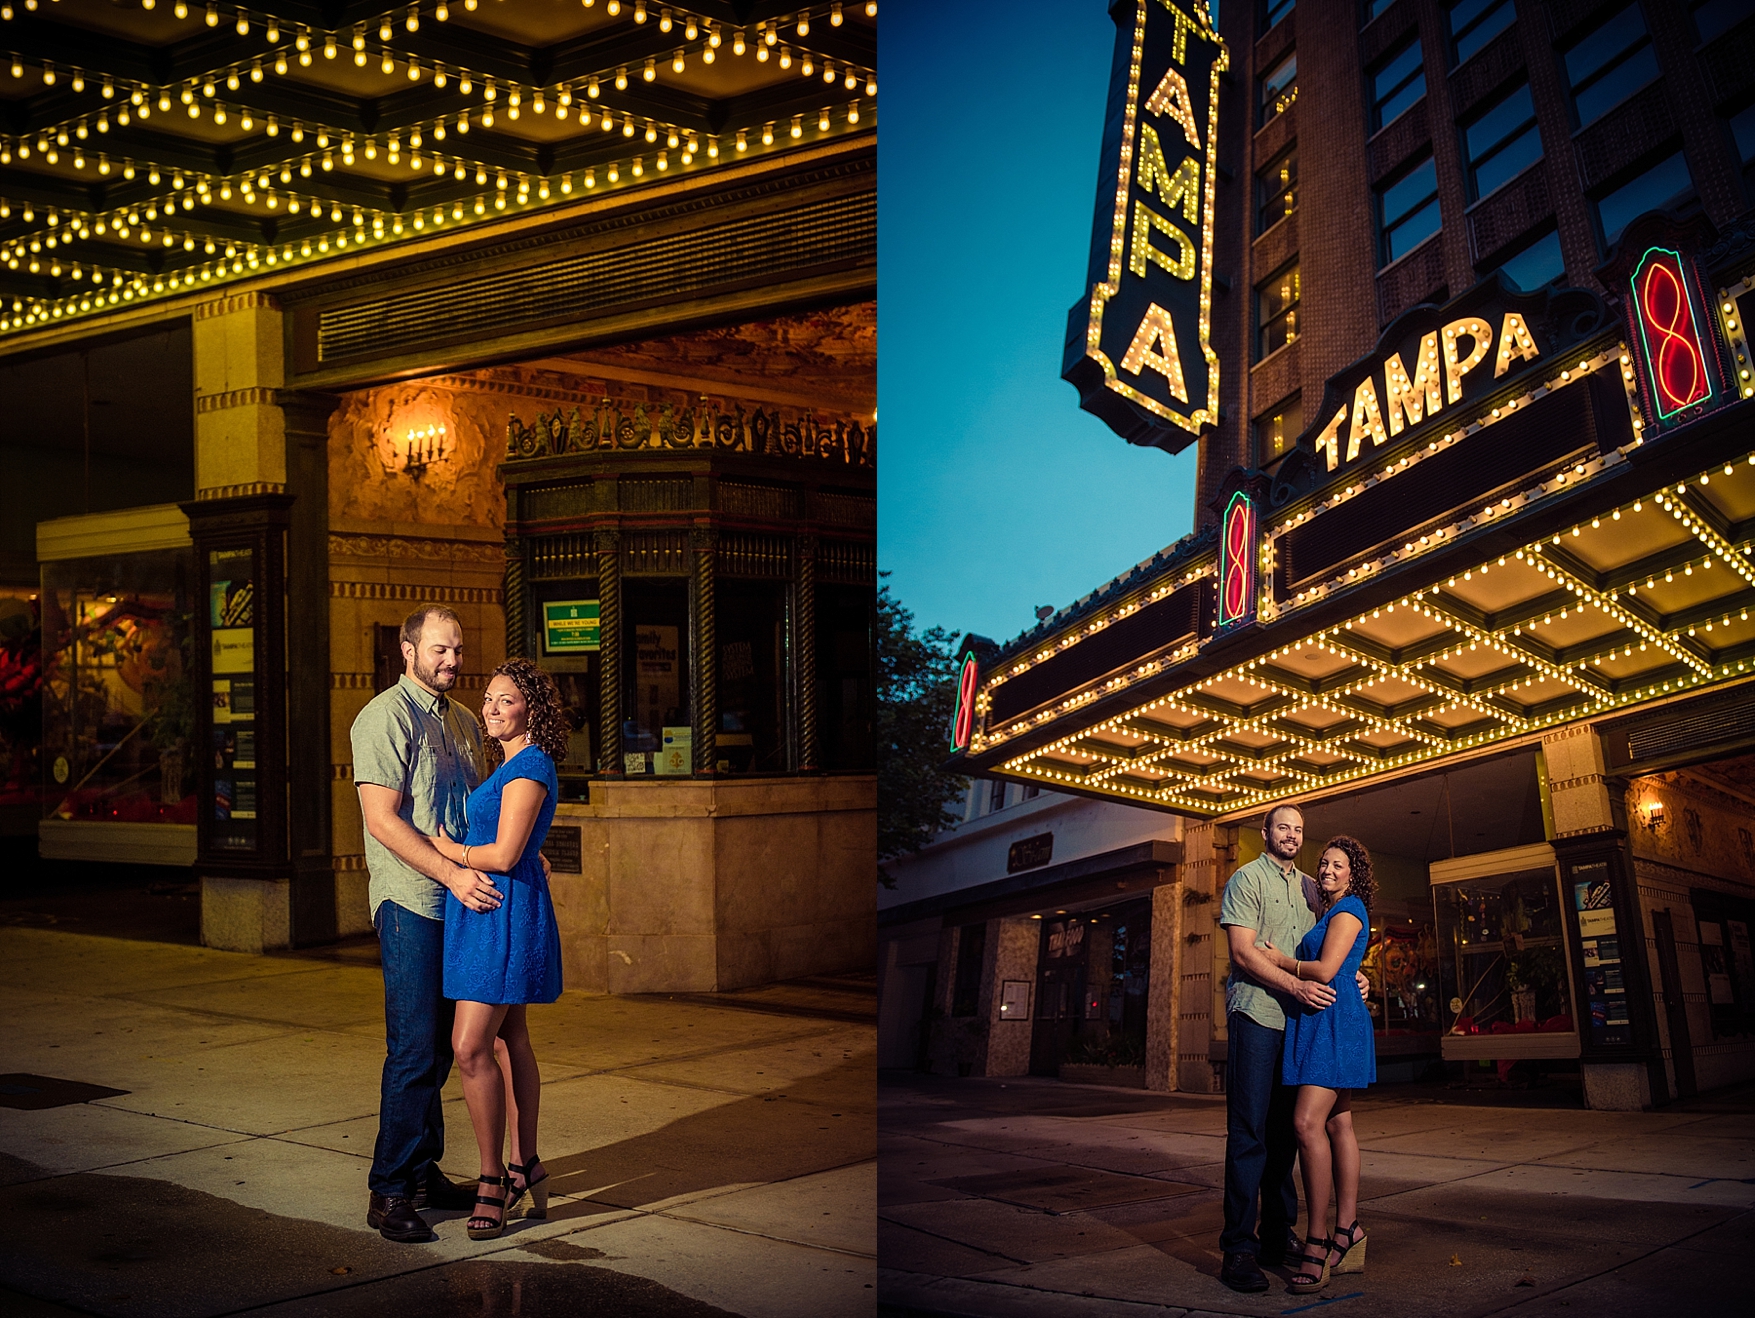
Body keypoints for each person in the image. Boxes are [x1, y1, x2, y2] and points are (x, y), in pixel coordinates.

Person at [352, 605, 503, 1243]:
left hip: (459, 901)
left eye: (458, 650)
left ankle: (422, 1171)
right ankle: (388, 1191)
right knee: (414, 1048)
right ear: (409, 651)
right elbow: (384, 820)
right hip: (413, 900)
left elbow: (479, 808)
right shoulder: (383, 717)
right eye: (439, 650)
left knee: (445, 1048)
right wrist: (450, 873)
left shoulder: (465, 722)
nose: (452, 661)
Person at [425, 657, 567, 1240]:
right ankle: (524, 1162)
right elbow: (518, 847)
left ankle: (491, 1180)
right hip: (492, 910)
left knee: (470, 1047)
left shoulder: (528, 767)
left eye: (505, 700)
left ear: (531, 708)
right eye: (487, 699)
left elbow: (505, 855)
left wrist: (442, 850)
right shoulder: (509, 764)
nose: (490, 708)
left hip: (499, 914)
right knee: (512, 1041)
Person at [1215, 804, 1370, 1294]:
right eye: (1283, 826)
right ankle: (1238, 1247)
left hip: (1302, 1024)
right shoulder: (1246, 879)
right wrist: (1296, 983)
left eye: (1298, 829)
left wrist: (1354, 976)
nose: (1291, 835)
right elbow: (1242, 951)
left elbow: (1331, 951)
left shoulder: (1312, 888)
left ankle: (1276, 1235)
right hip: (1259, 1015)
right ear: (1265, 832)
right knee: (1250, 1131)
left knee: (1289, 1134)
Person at [1265, 836, 1376, 1294]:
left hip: (1333, 1021)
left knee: (1306, 1123)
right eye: (1324, 862)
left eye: (1338, 864)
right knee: (1337, 1126)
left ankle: (1317, 1240)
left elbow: (1327, 969)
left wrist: (1280, 961)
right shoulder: (1332, 912)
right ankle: (1348, 1233)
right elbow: (1344, 966)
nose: (1328, 869)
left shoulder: (1348, 909)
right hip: (1331, 1018)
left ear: (1354, 874)